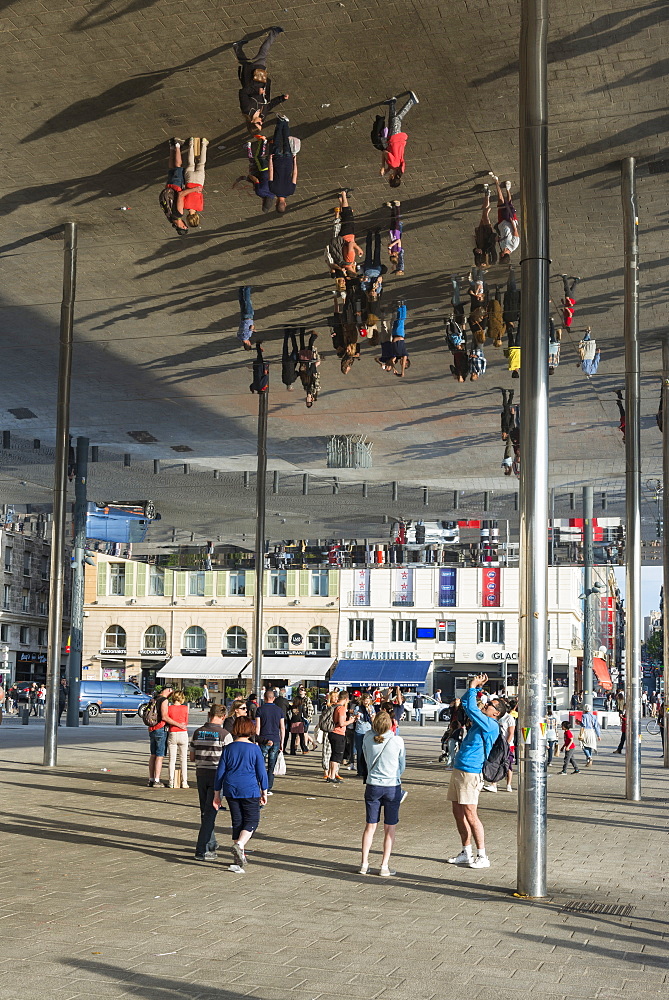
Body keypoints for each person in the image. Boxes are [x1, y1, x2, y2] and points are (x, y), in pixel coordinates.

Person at [446, 674, 506, 870]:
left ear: (496, 713)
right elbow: (466, 703)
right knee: (458, 812)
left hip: (472, 772)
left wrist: (473, 687)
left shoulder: (490, 725)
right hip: (460, 768)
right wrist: (475, 689)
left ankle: (482, 855)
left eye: (491, 704)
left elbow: (471, 708)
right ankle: (466, 851)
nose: (486, 704)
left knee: (471, 814)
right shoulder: (483, 720)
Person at [213, 716, 268, 873]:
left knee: (237, 821)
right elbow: (261, 773)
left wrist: (217, 794)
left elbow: (220, 773)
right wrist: (264, 791)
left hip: (231, 788)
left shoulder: (228, 748)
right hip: (249, 788)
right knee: (252, 820)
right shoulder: (255, 749)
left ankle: (238, 860)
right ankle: (239, 845)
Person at [359, 711, 406, 876]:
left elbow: (364, 757)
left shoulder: (367, 738)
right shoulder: (397, 740)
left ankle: (364, 864)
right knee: (390, 827)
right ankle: (384, 866)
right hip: (392, 786)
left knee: (370, 826)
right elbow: (402, 766)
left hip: (373, 785)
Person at [190, 704, 232, 860]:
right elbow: (228, 760)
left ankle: (211, 842)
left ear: (209, 714)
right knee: (211, 812)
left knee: (205, 812)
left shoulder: (197, 732)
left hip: (201, 774)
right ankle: (202, 849)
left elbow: (192, 757)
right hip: (217, 776)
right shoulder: (225, 735)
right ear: (223, 717)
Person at [234, 26, 287, 129]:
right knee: (246, 62)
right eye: (261, 125)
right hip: (262, 80)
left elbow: (243, 92)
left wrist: (257, 91)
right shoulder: (262, 115)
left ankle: (274, 32)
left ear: (252, 122)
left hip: (253, 78)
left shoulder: (247, 109)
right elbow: (269, 105)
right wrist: (281, 99)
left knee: (263, 55)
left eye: (259, 124)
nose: (262, 122)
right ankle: (236, 47)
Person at [380, 92, 419, 187]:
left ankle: (392, 103)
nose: (388, 177)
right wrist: (382, 166)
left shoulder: (399, 169)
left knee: (393, 120)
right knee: (397, 118)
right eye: (389, 179)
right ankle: (412, 101)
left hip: (399, 140)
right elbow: (385, 153)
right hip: (394, 139)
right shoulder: (393, 165)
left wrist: (387, 169)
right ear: (392, 178)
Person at [171, 138, 208, 229]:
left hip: (199, 183)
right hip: (189, 181)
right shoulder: (184, 206)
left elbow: (201, 196)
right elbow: (183, 194)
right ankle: (191, 144)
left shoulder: (200, 208)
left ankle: (204, 144)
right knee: (190, 164)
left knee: (201, 163)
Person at [255, 689, 285, 794]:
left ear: (264, 697)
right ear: (274, 698)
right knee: (272, 765)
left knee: (261, 763)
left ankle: (261, 785)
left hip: (263, 739)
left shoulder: (260, 710)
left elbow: (257, 726)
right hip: (276, 739)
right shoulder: (279, 710)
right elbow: (282, 728)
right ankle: (268, 787)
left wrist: (256, 739)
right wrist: (282, 742)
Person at [268, 115, 298, 213]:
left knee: (286, 141)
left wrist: (294, 161)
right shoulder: (272, 189)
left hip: (288, 162)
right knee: (276, 141)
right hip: (277, 161)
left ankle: (285, 123)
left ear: (285, 204)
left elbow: (295, 174)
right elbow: (271, 172)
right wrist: (270, 160)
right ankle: (280, 122)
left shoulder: (291, 191)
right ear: (276, 203)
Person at [159, 138, 189, 235]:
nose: (186, 225)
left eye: (185, 227)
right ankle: (172, 147)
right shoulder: (170, 218)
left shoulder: (178, 214)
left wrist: (195, 189)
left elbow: (180, 195)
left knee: (178, 166)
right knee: (172, 168)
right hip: (169, 186)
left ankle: (177, 145)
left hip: (176, 187)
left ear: (181, 227)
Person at [147, 684, 173, 786]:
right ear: (169, 690)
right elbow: (164, 717)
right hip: (160, 729)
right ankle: (157, 780)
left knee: (153, 754)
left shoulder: (154, 698)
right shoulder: (164, 700)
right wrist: (178, 724)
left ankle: (151, 779)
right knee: (160, 755)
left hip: (151, 729)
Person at [489, 174, 519, 261]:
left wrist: (497, 239)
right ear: (503, 255)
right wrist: (512, 221)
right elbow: (516, 232)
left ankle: (496, 182)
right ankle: (508, 189)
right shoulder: (514, 245)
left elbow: (500, 236)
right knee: (509, 204)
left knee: (500, 202)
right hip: (509, 221)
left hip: (501, 223)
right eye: (500, 256)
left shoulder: (502, 247)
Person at [327, 691, 354, 783]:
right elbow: (342, 723)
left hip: (331, 732)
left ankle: (330, 774)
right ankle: (332, 776)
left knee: (333, 754)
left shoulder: (333, 706)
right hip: (338, 733)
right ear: (346, 699)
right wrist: (351, 721)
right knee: (337, 755)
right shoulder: (341, 708)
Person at [166, 690, 190, 788]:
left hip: (173, 732)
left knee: (172, 759)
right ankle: (184, 782)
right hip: (183, 733)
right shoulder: (185, 708)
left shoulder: (169, 708)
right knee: (183, 759)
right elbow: (186, 721)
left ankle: (171, 781)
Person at [337, 190, 363, 275]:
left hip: (347, 235)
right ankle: (340, 199)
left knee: (348, 214)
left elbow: (351, 244)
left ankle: (343, 194)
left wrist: (358, 249)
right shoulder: (343, 264)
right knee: (345, 217)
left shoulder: (350, 260)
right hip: (342, 237)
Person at [473, 184, 497, 267]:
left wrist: (477, 250)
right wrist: (486, 250)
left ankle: (487, 195)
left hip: (480, 237)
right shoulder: (492, 260)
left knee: (484, 214)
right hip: (487, 235)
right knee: (485, 215)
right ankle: (487, 194)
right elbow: (493, 247)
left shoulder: (478, 263)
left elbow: (475, 252)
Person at [353, 694, 375, 779]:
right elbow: (355, 719)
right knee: (360, 751)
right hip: (360, 731)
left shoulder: (372, 708)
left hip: (369, 731)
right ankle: (360, 770)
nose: (366, 701)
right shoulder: (358, 708)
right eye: (365, 700)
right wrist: (356, 716)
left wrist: (370, 712)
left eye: (368, 699)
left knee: (368, 751)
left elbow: (373, 721)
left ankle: (367, 769)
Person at [297, 330, 321, 407]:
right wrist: (314, 366)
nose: (307, 400)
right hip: (309, 366)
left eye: (306, 401)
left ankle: (303, 332)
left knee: (303, 348)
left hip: (304, 366)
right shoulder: (314, 389)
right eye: (309, 401)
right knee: (309, 348)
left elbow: (303, 377)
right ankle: (313, 336)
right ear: (312, 399)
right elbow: (315, 377)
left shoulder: (306, 389)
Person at [387, 200, 404, 274]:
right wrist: (392, 245)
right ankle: (397, 206)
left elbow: (388, 244)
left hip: (392, 233)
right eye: (394, 255)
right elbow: (399, 240)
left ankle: (391, 208)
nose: (393, 254)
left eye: (392, 255)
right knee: (397, 220)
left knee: (392, 220)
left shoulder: (392, 251)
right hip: (396, 233)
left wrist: (389, 248)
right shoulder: (398, 249)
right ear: (397, 256)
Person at [237, 286, 256, 350]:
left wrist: (253, 330)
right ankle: (241, 290)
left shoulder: (247, 336)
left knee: (247, 302)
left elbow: (251, 326)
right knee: (242, 303)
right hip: (242, 318)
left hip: (248, 317)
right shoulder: (239, 337)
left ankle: (247, 289)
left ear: (248, 343)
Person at [281, 326, 299, 391]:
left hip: (292, 362)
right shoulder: (283, 380)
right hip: (285, 362)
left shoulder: (293, 379)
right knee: (285, 347)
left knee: (295, 348)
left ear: (291, 386)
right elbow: (283, 372)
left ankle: (292, 334)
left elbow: (296, 372)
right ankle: (286, 333)